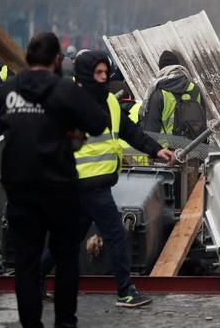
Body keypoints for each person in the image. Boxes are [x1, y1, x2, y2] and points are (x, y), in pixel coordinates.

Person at [40, 51, 173, 309]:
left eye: (105, 72)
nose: (104, 77)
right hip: (86, 184)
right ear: (85, 75)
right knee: (115, 235)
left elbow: (130, 132)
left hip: (96, 183)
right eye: (98, 73)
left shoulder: (110, 101)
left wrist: (156, 150)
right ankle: (125, 291)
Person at [0, 33, 109, 328]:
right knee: (66, 258)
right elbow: (98, 123)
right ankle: (64, 323)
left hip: (19, 186)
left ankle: (31, 324)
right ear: (57, 59)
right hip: (58, 185)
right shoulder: (63, 89)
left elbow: (7, 125)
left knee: (26, 263)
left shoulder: (8, 89)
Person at [141, 50, 206, 140]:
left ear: (161, 69)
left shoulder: (159, 93)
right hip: (194, 145)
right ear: (178, 66)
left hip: (168, 147)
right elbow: (203, 120)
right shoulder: (194, 88)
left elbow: (151, 129)